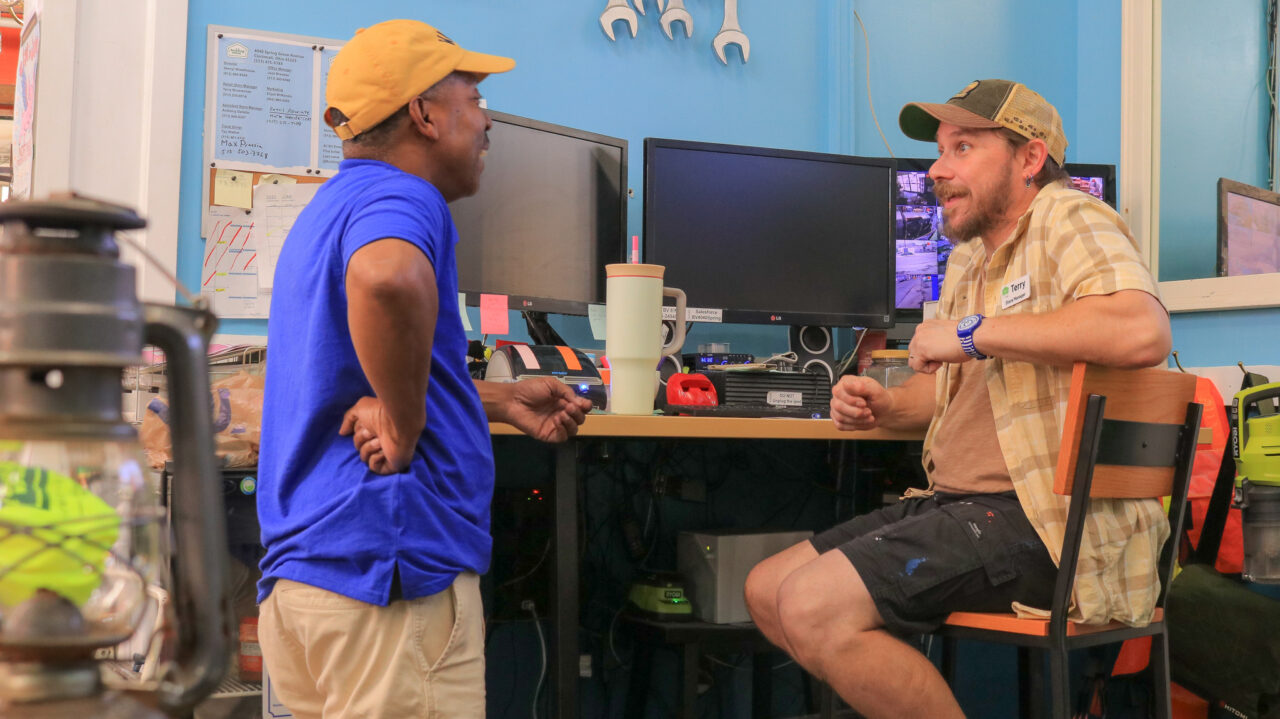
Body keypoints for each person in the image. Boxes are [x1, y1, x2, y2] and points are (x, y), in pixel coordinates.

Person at [744, 79, 1171, 718]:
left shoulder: (1067, 216)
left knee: (814, 603)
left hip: (1044, 523)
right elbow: (946, 392)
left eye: (963, 148)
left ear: (1028, 160)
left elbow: (1144, 329)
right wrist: (885, 407)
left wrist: (971, 334)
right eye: (941, 151)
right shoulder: (970, 260)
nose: (937, 169)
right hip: (963, 505)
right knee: (767, 587)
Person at [256, 19, 593, 719]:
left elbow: (340, 369)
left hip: (309, 584)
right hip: (390, 576)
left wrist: (494, 399)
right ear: (423, 113)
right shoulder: (405, 197)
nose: (487, 118)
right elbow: (388, 281)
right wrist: (405, 421)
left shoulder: (329, 207)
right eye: (473, 96)